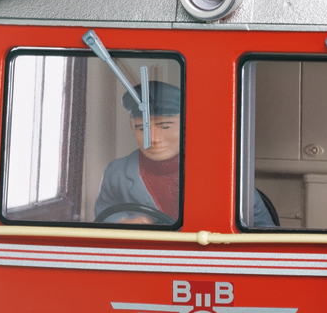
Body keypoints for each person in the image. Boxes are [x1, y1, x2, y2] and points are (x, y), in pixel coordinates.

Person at [93, 81, 276, 226]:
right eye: (142, 128)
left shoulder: (221, 171)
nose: (153, 139)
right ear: (131, 127)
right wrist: (123, 221)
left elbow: (260, 225)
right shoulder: (116, 172)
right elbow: (103, 213)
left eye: (165, 126)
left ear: (185, 125)